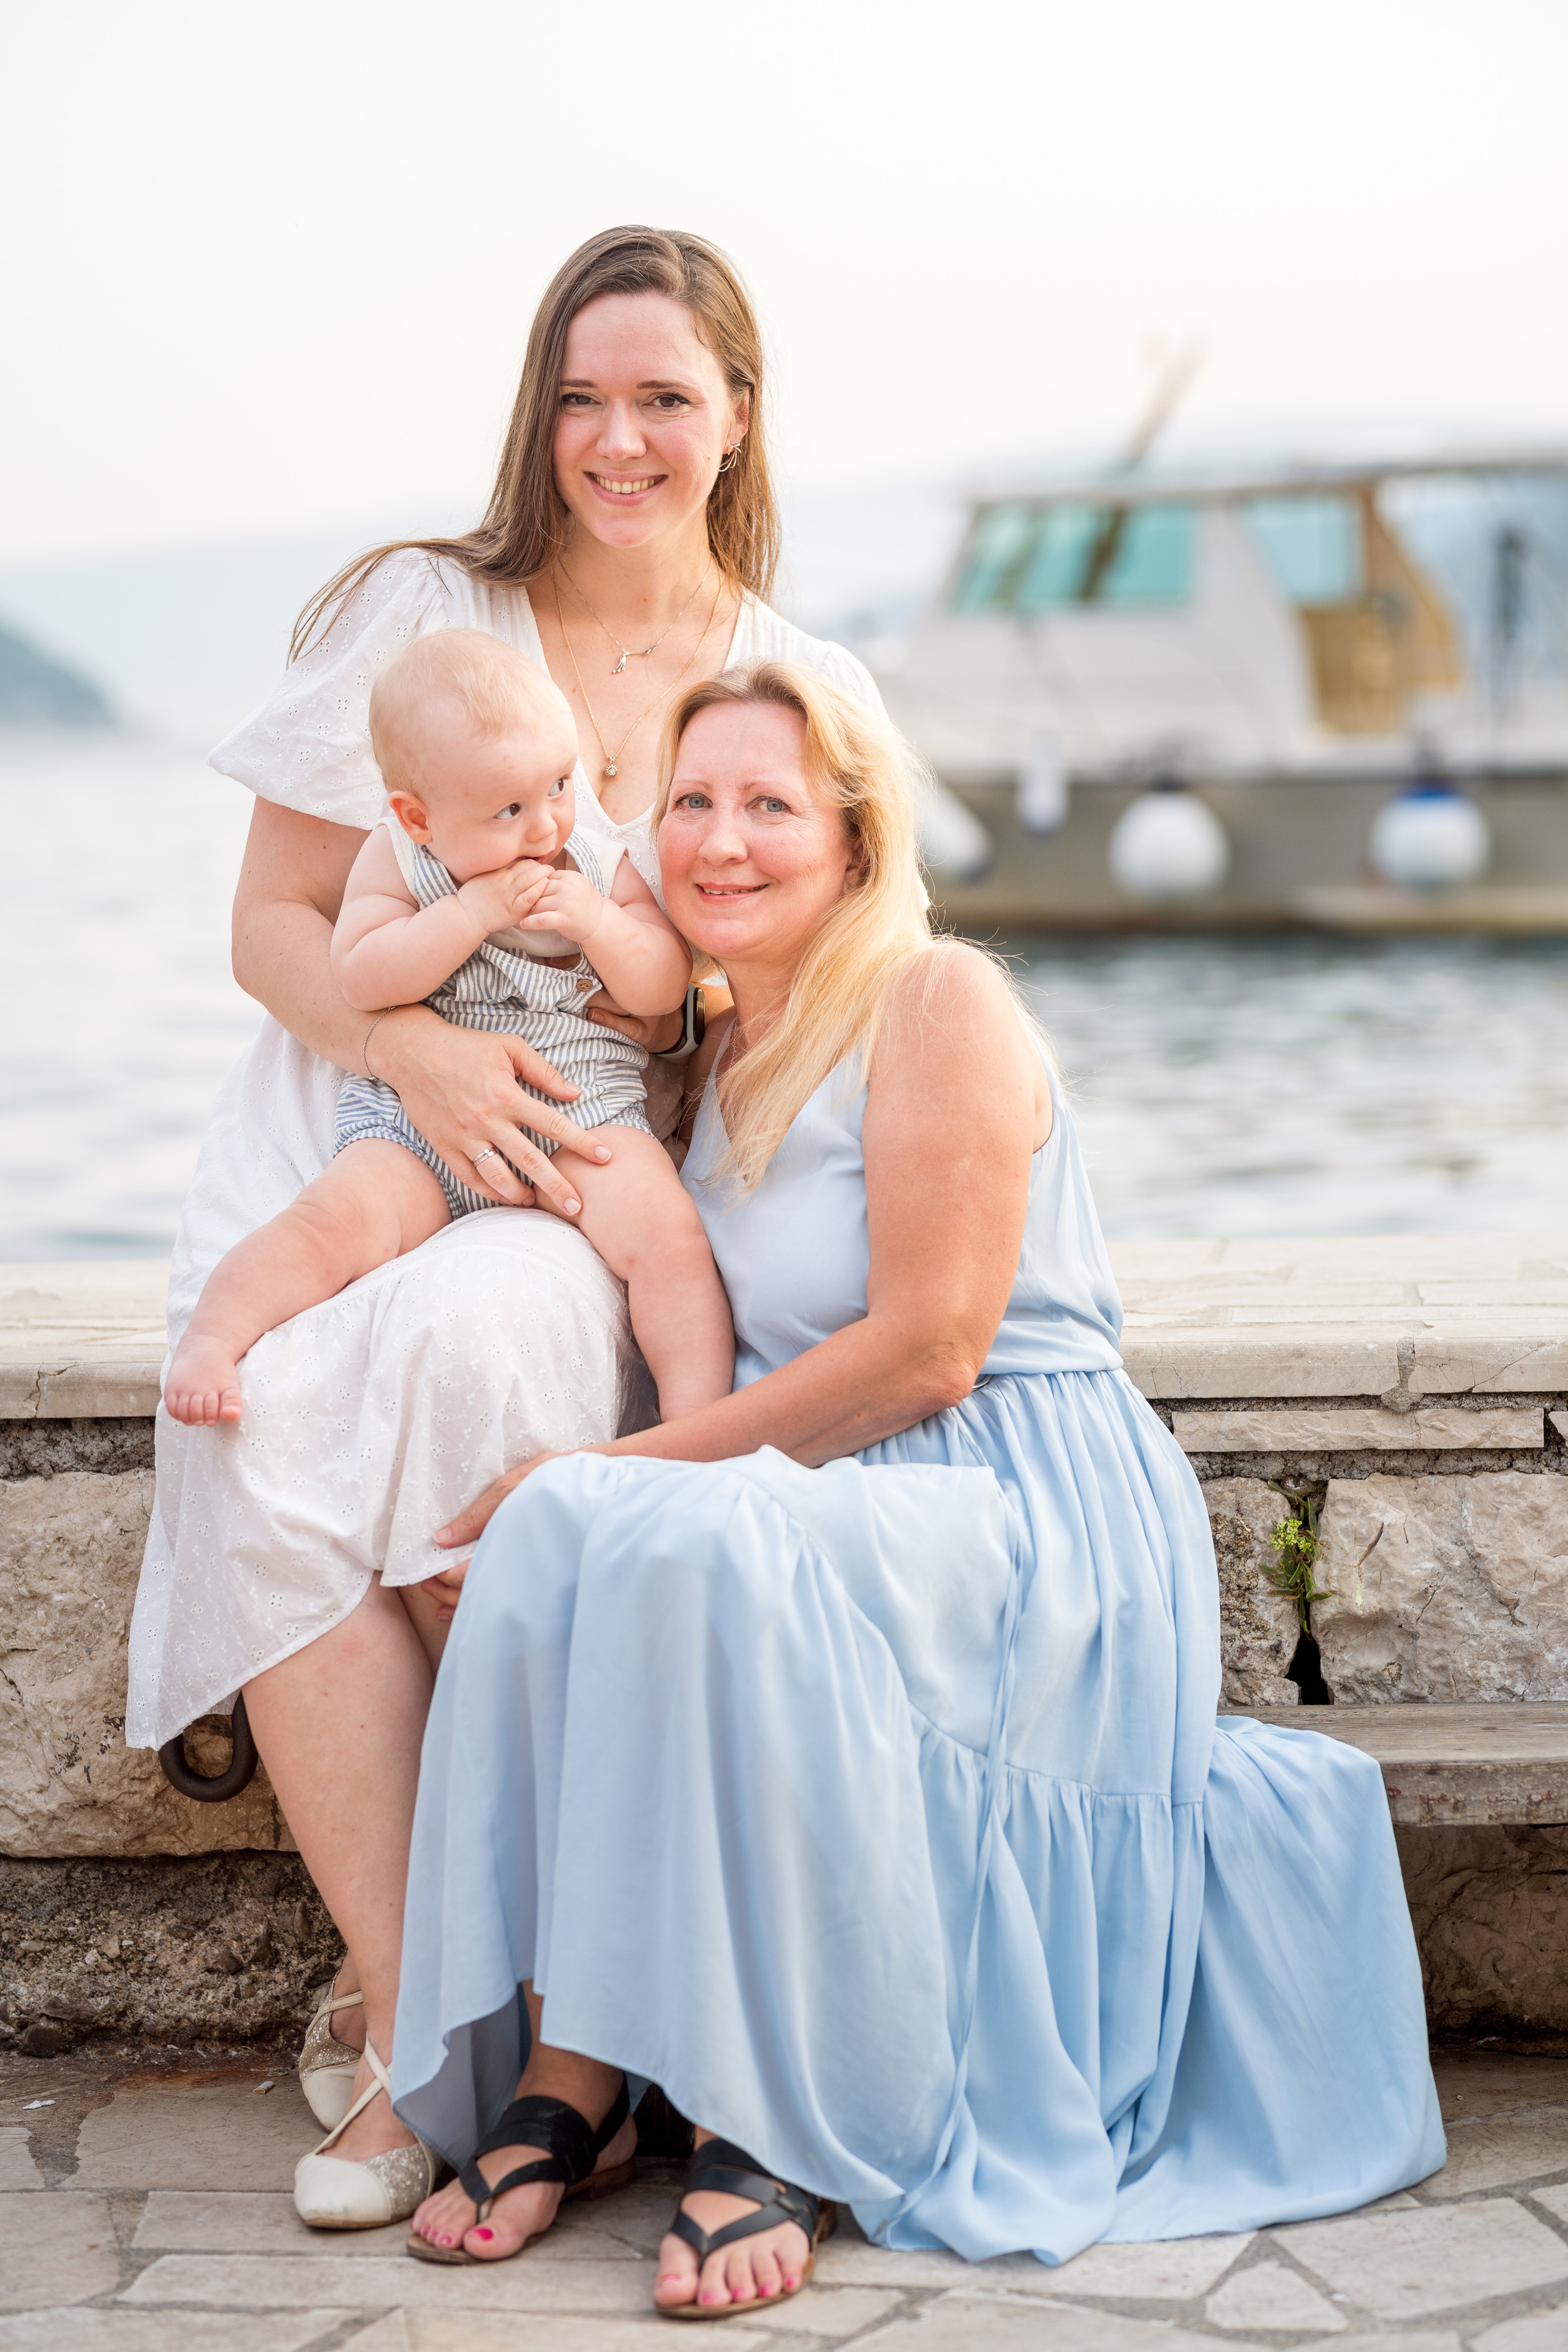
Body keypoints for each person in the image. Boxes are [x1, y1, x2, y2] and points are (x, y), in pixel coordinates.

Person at [393, 662, 1444, 2320]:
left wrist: (604, 1472)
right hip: (838, 1485)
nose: (720, 840)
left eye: (770, 805)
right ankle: (574, 2064)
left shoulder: (936, 997)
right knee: (612, 1533)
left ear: (857, 835)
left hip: (1030, 1499)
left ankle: (766, 2118)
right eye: (689, 802)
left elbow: (932, 1352)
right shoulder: (711, 1055)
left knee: (652, 1518)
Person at [125, 225, 885, 2225]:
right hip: (373, 1122)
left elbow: (817, 1004)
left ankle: (573, 2023)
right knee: (262, 1406)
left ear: (735, 420)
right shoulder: (424, 609)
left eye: (663, 399)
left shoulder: (792, 681)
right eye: (582, 395)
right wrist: (431, 1066)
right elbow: (272, 930)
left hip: (604, 1183)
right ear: (536, 410)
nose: (616, 438)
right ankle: (414, 2039)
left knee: (496, 1333)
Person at [163, 631, 732, 1431]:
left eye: (559, 787)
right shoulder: (397, 863)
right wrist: (471, 913)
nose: (544, 828)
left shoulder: (595, 863)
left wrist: (600, 922)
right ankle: (213, 1341)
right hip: (416, 1131)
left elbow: (662, 981)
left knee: (670, 1239)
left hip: (583, 1113)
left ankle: (696, 1425)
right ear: (417, 816)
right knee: (329, 1225)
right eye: (508, 810)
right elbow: (363, 974)